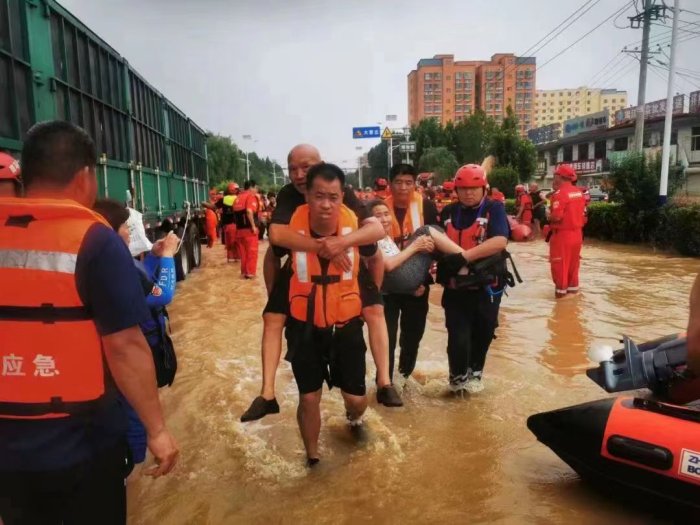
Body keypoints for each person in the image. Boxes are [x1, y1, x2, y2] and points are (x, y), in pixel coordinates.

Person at [0, 121, 178, 525]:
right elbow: (125, 346)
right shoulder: (94, 240)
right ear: (84, 177)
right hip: (82, 444)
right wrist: (158, 430)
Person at [240, 144, 400, 423]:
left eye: (307, 167)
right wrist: (322, 248)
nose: (299, 175)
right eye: (293, 169)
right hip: (301, 270)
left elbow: (375, 236)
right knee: (272, 317)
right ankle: (267, 394)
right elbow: (276, 238)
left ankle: (385, 382)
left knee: (375, 311)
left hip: (348, 268)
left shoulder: (343, 192)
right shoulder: (290, 194)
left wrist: (342, 244)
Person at [283, 163, 371, 466]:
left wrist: (341, 242)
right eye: (319, 195)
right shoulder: (290, 224)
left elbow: (379, 231)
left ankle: (354, 417)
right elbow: (276, 238)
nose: (325, 204)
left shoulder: (355, 223)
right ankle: (313, 458)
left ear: (341, 197)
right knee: (308, 397)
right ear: (306, 194)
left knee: (356, 400)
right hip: (303, 325)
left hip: (346, 325)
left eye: (333, 197)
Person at [93, 198, 180, 466]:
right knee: (134, 423)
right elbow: (160, 294)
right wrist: (167, 258)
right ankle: (131, 473)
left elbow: (144, 282)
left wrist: (153, 256)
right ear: (112, 230)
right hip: (131, 359)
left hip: (110, 364)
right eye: (126, 228)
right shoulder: (122, 266)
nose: (129, 233)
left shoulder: (113, 262)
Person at [437, 162, 511, 394]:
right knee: (458, 340)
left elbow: (500, 241)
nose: (469, 193)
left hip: (486, 289)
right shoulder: (449, 212)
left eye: (474, 188)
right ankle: (457, 383)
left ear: (484, 189)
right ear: (456, 190)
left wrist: (463, 258)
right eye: (464, 188)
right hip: (456, 290)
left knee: (483, 336)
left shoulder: (494, 209)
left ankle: (475, 376)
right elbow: (434, 240)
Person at [382, 164, 439, 385]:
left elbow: (436, 245)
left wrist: (425, 279)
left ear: (415, 184)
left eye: (408, 182)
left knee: (412, 337)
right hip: (387, 286)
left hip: (417, 286)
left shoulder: (427, 206)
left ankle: (404, 378)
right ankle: (385, 382)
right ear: (390, 184)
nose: (403, 187)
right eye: (398, 182)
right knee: (385, 337)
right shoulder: (379, 209)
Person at [548, 164, 586, 299]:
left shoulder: (559, 194)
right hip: (577, 235)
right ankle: (572, 298)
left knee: (560, 268)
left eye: (556, 175)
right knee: (573, 267)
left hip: (563, 236)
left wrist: (548, 215)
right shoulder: (579, 193)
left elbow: (557, 217)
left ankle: (560, 301)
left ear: (560, 177)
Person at [234, 179, 260, 279]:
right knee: (252, 253)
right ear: (251, 187)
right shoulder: (250, 196)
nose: (256, 190)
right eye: (255, 188)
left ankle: (244, 272)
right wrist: (253, 226)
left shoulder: (238, 197)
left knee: (243, 254)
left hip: (239, 231)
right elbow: (249, 211)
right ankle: (250, 274)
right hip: (249, 231)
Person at [218, 182, 240, 262]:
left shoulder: (224, 199)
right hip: (238, 225)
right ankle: (237, 258)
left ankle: (230, 258)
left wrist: (203, 204)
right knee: (237, 243)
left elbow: (214, 206)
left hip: (228, 225)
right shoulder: (239, 198)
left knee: (229, 243)